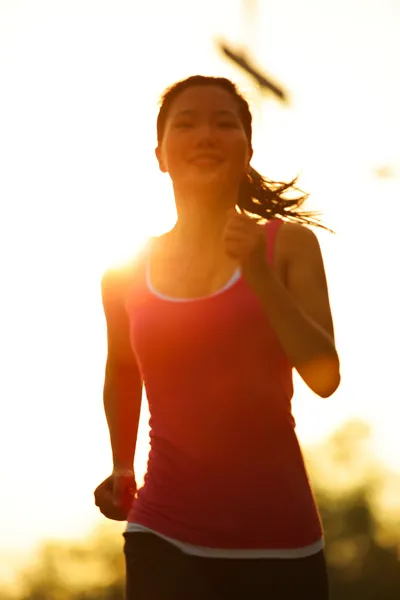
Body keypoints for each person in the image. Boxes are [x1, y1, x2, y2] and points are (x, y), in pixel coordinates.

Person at [94, 75, 340, 599]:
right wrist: (120, 463)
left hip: (280, 540)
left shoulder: (288, 246)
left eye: (223, 123)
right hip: (163, 531)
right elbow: (121, 369)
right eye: (186, 124)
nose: (205, 134)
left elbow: (325, 376)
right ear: (160, 155)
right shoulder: (124, 272)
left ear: (247, 150)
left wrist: (259, 274)